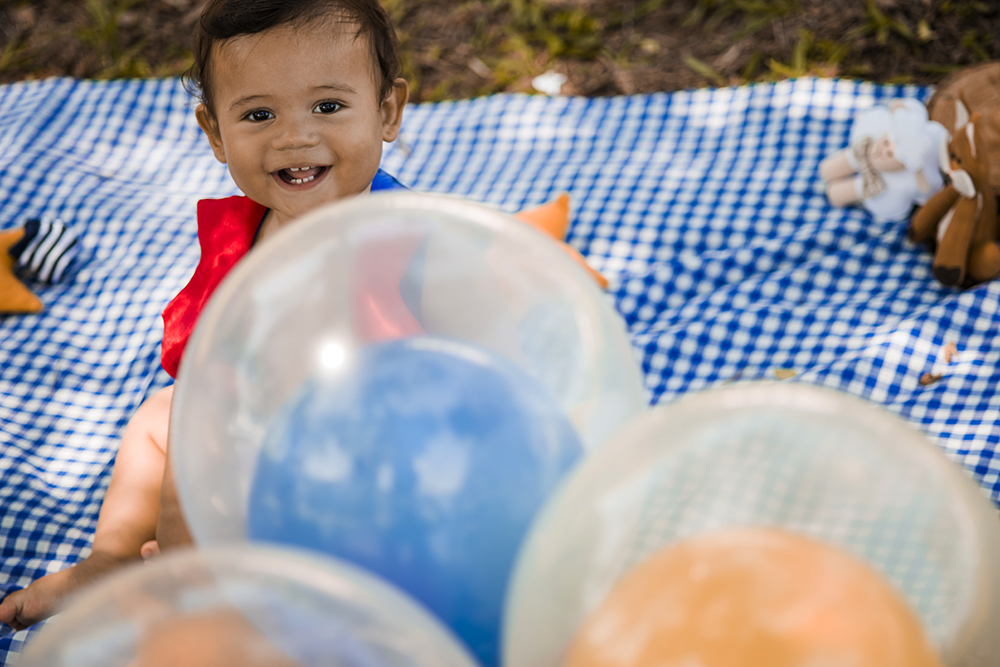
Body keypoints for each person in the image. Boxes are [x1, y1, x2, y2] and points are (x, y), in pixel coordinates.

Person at [0, 0, 409, 632]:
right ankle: (113, 558)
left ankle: (201, 595)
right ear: (215, 133)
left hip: (352, 463)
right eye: (258, 114)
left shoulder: (404, 239)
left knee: (204, 448)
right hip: (242, 428)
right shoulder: (242, 233)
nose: (294, 136)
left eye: (327, 106)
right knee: (157, 421)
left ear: (386, 112)